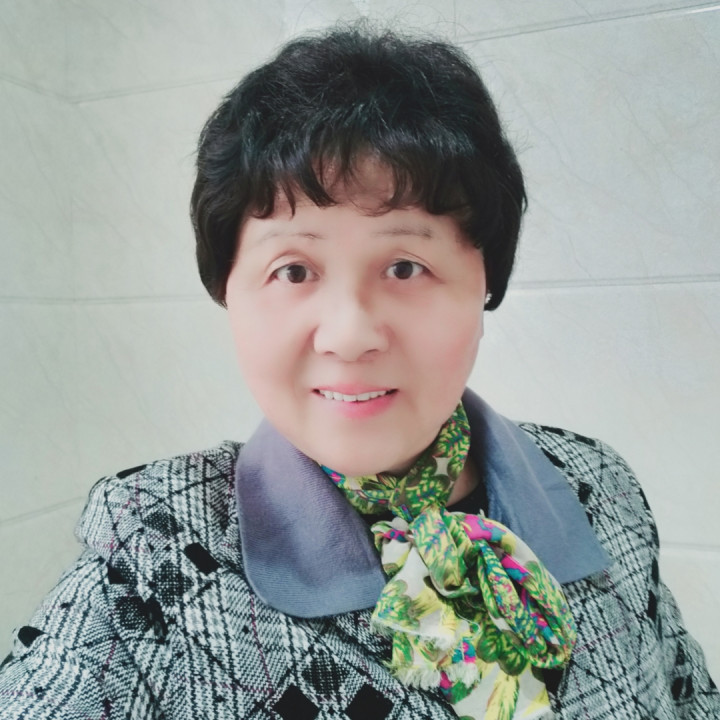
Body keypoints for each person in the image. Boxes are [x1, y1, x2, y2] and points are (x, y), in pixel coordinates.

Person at [1, 24, 717, 720]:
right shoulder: (155, 550)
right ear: (229, 291)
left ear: (486, 283)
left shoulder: (598, 488)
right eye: (293, 270)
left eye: (405, 266)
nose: (348, 335)